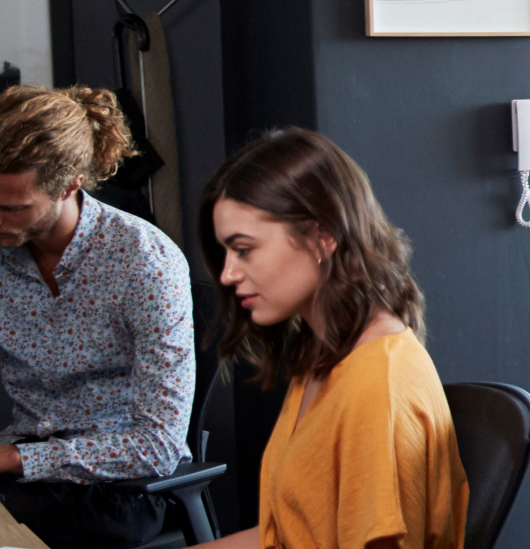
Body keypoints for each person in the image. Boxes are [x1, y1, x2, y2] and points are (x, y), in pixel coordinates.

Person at [191, 128, 466, 549]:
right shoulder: (325, 354)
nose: (227, 274)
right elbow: (289, 537)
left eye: (244, 249)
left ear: (322, 237)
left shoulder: (377, 385)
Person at [0, 85, 195, 549]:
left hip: (120, 486)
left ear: (70, 186)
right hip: (25, 472)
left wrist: (9, 459)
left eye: (11, 207)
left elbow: (158, 445)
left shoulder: (143, 260)